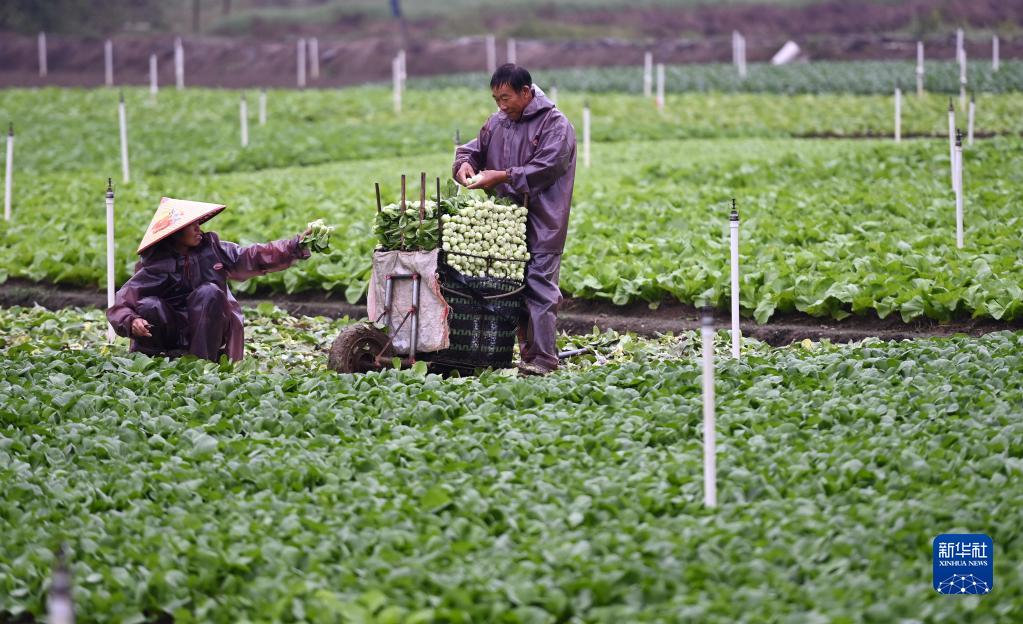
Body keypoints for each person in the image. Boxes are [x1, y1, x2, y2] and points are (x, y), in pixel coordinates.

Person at [453, 63, 577, 376]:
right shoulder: (498, 122)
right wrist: (464, 165)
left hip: (544, 221)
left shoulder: (555, 124)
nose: (500, 105)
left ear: (525, 92)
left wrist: (502, 176)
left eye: (505, 98)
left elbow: (546, 168)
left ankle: (544, 360)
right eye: (496, 99)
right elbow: (472, 150)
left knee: (539, 286)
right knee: (512, 287)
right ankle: (529, 357)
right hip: (507, 225)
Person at [107, 197, 313, 362]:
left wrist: (294, 246)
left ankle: (202, 363)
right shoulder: (156, 263)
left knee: (210, 292)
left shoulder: (214, 250)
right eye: (191, 225)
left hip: (210, 329)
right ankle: (156, 360)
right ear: (176, 233)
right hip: (172, 329)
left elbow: (254, 255)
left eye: (198, 222)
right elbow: (123, 302)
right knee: (149, 305)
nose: (198, 228)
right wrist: (132, 321)